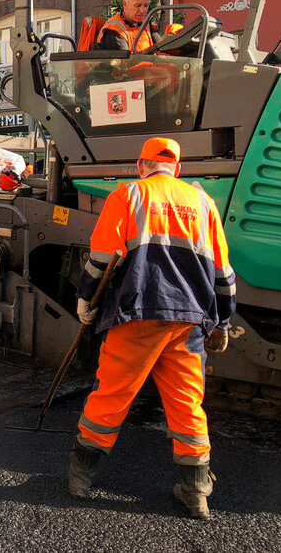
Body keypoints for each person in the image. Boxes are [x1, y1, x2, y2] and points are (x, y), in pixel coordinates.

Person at [67, 137, 235, 520]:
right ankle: (196, 494)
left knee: (111, 394)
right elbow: (223, 272)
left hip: (138, 313)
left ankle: (80, 479)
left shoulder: (129, 196)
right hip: (188, 321)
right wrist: (223, 321)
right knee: (187, 403)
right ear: (176, 169)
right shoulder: (203, 203)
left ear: (141, 166)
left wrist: (85, 298)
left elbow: (102, 258)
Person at [96, 0, 160, 52]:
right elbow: (124, 61)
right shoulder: (113, 30)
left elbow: (161, 45)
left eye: (146, 5)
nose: (142, 10)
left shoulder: (145, 23)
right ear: (125, 4)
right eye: (138, 5)